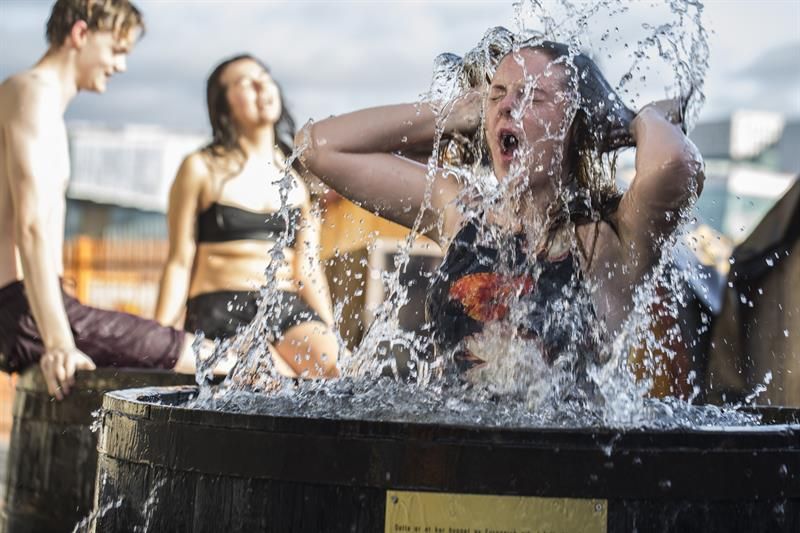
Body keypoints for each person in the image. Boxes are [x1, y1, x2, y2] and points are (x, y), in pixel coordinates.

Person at [297, 30, 704, 383]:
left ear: (575, 126)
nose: (507, 106)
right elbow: (318, 147)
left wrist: (636, 118)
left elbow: (674, 164)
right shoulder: (459, 211)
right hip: (459, 458)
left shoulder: (610, 238)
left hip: (563, 464)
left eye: (531, 97)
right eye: (497, 95)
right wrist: (455, 112)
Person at [0, 0, 219, 400]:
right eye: (117, 50)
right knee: (222, 359)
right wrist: (59, 342)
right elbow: (30, 227)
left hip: (30, 307)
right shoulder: (32, 91)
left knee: (212, 357)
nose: (121, 66)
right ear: (81, 34)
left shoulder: (36, 101)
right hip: (27, 309)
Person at [154, 54, 340, 379]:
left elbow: (308, 268)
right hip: (220, 307)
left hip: (284, 303)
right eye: (245, 82)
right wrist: (157, 337)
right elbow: (178, 262)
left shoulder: (297, 178)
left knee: (339, 370)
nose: (260, 85)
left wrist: (330, 329)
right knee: (268, 380)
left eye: (265, 76)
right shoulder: (200, 168)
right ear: (223, 105)